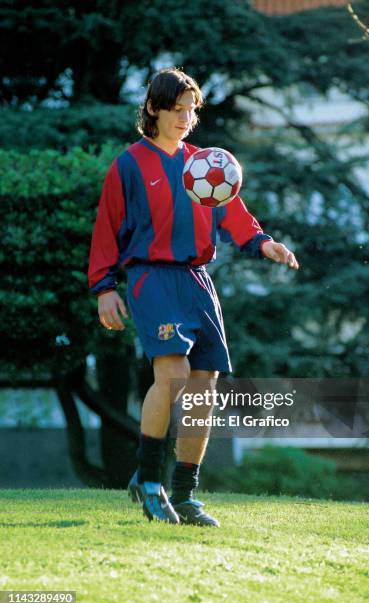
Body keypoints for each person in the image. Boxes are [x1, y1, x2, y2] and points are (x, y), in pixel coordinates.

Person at [88, 67, 299, 528]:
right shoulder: (129, 165)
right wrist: (104, 287)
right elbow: (106, 230)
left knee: (205, 384)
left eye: (192, 110)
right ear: (153, 109)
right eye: (178, 109)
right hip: (151, 278)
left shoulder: (207, 164)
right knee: (174, 373)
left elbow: (236, 217)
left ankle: (184, 495)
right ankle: (148, 483)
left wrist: (267, 244)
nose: (187, 118)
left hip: (198, 279)